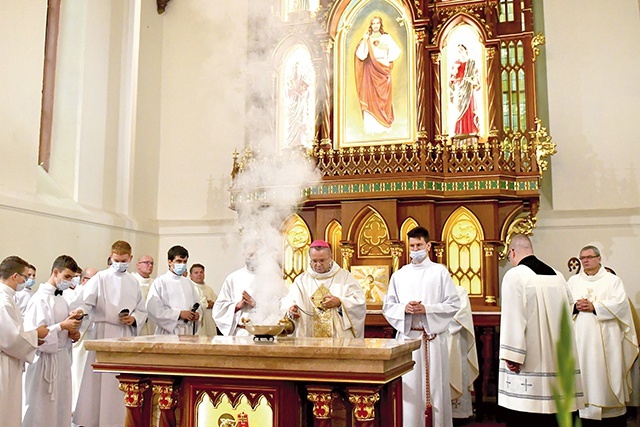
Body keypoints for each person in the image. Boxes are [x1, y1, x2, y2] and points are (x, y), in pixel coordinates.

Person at [498, 234, 583, 427]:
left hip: (531, 359)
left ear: (512, 252)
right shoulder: (558, 275)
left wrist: (512, 355)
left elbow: (514, 317)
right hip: (558, 357)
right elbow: (570, 311)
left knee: (528, 411)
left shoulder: (515, 275)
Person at [383, 226, 461, 427]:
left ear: (428, 246)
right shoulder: (399, 275)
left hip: (432, 339)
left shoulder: (440, 272)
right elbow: (388, 307)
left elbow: (453, 304)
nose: (415, 249)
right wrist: (405, 309)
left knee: (435, 389)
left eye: (419, 245)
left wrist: (426, 309)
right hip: (409, 340)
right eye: (411, 245)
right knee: (409, 390)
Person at [69, 240, 147, 427]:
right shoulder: (101, 278)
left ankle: (120, 420)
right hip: (103, 333)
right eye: (116, 260)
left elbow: (141, 309)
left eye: (123, 260)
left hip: (125, 334)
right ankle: (94, 420)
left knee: (120, 380)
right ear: (111, 257)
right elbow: (85, 301)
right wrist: (80, 311)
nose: (119, 263)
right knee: (99, 381)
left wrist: (134, 318)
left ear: (130, 258)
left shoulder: (133, 282)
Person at [568, 245, 638, 426]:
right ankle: (582, 410)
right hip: (580, 339)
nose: (585, 261)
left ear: (599, 259)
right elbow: (562, 304)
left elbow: (620, 304)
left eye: (589, 257)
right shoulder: (573, 282)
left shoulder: (612, 281)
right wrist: (575, 307)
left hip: (607, 339)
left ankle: (609, 410)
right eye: (582, 258)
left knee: (604, 374)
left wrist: (595, 307)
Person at [22, 255, 83, 427]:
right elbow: (35, 334)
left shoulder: (62, 300)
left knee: (62, 405)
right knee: (40, 407)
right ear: (55, 272)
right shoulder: (38, 299)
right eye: (67, 277)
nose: (69, 281)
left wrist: (72, 333)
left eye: (72, 278)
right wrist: (62, 326)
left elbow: (63, 330)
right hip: (43, 361)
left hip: (61, 358)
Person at [0, 256, 49, 427]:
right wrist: (36, 334)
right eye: (25, 276)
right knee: (5, 411)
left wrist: (33, 339)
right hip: (3, 363)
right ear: (14, 276)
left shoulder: (7, 297)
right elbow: (10, 339)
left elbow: (13, 332)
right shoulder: (3, 300)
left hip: (9, 360)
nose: (26, 281)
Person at [286, 240, 366, 338]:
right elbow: (289, 300)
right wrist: (291, 309)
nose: (318, 264)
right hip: (308, 338)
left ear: (330, 258)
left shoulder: (345, 277)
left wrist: (340, 302)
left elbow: (359, 302)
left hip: (337, 340)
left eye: (322, 260)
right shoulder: (301, 280)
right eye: (314, 261)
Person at [354, 16, 401, 134]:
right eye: (373, 23)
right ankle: (372, 127)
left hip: (383, 70)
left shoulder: (386, 37)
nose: (375, 26)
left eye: (377, 23)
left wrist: (386, 47)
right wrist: (364, 40)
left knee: (384, 98)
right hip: (370, 72)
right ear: (371, 25)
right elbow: (361, 55)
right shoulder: (367, 39)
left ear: (380, 25)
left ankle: (384, 124)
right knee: (370, 97)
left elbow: (396, 52)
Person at [146, 246, 202, 335]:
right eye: (179, 261)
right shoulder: (160, 282)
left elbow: (197, 304)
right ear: (170, 262)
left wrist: (196, 315)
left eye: (185, 262)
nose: (182, 264)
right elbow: (153, 309)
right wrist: (179, 314)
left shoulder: (188, 283)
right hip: (168, 332)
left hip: (187, 331)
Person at [447, 285, 479, 420]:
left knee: (457, 371)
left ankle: (458, 414)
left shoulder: (458, 291)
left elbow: (462, 316)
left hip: (453, 339)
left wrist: (437, 323)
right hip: (431, 337)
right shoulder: (428, 290)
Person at [212, 249, 259, 336]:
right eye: (251, 254)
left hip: (262, 333)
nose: (254, 258)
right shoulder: (233, 278)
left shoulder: (270, 277)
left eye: (257, 254)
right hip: (239, 333)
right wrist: (236, 307)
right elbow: (218, 310)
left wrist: (256, 305)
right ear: (244, 254)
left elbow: (280, 308)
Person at [70, 266, 97, 415]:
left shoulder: (96, 293)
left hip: (91, 338)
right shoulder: (75, 293)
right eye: (91, 279)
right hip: (79, 340)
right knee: (77, 376)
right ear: (83, 280)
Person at [449, 44, 480, 137]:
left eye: (461, 49)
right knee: (459, 110)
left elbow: (477, 79)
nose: (460, 52)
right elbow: (452, 80)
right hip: (460, 90)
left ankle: (471, 129)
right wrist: (455, 78)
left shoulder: (472, 63)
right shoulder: (456, 63)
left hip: (469, 90)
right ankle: (459, 130)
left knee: (470, 108)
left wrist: (471, 80)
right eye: (458, 50)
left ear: (466, 51)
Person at [190, 263, 218, 337]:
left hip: (210, 323)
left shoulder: (209, 289)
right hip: (198, 325)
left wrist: (214, 304)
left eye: (201, 272)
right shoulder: (190, 288)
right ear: (191, 275)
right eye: (196, 273)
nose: (199, 274)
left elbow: (218, 303)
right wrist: (206, 304)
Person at [132, 255, 156, 335]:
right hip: (136, 324)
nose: (150, 265)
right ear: (138, 265)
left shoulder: (155, 283)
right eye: (146, 263)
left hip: (152, 324)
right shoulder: (131, 281)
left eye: (152, 263)